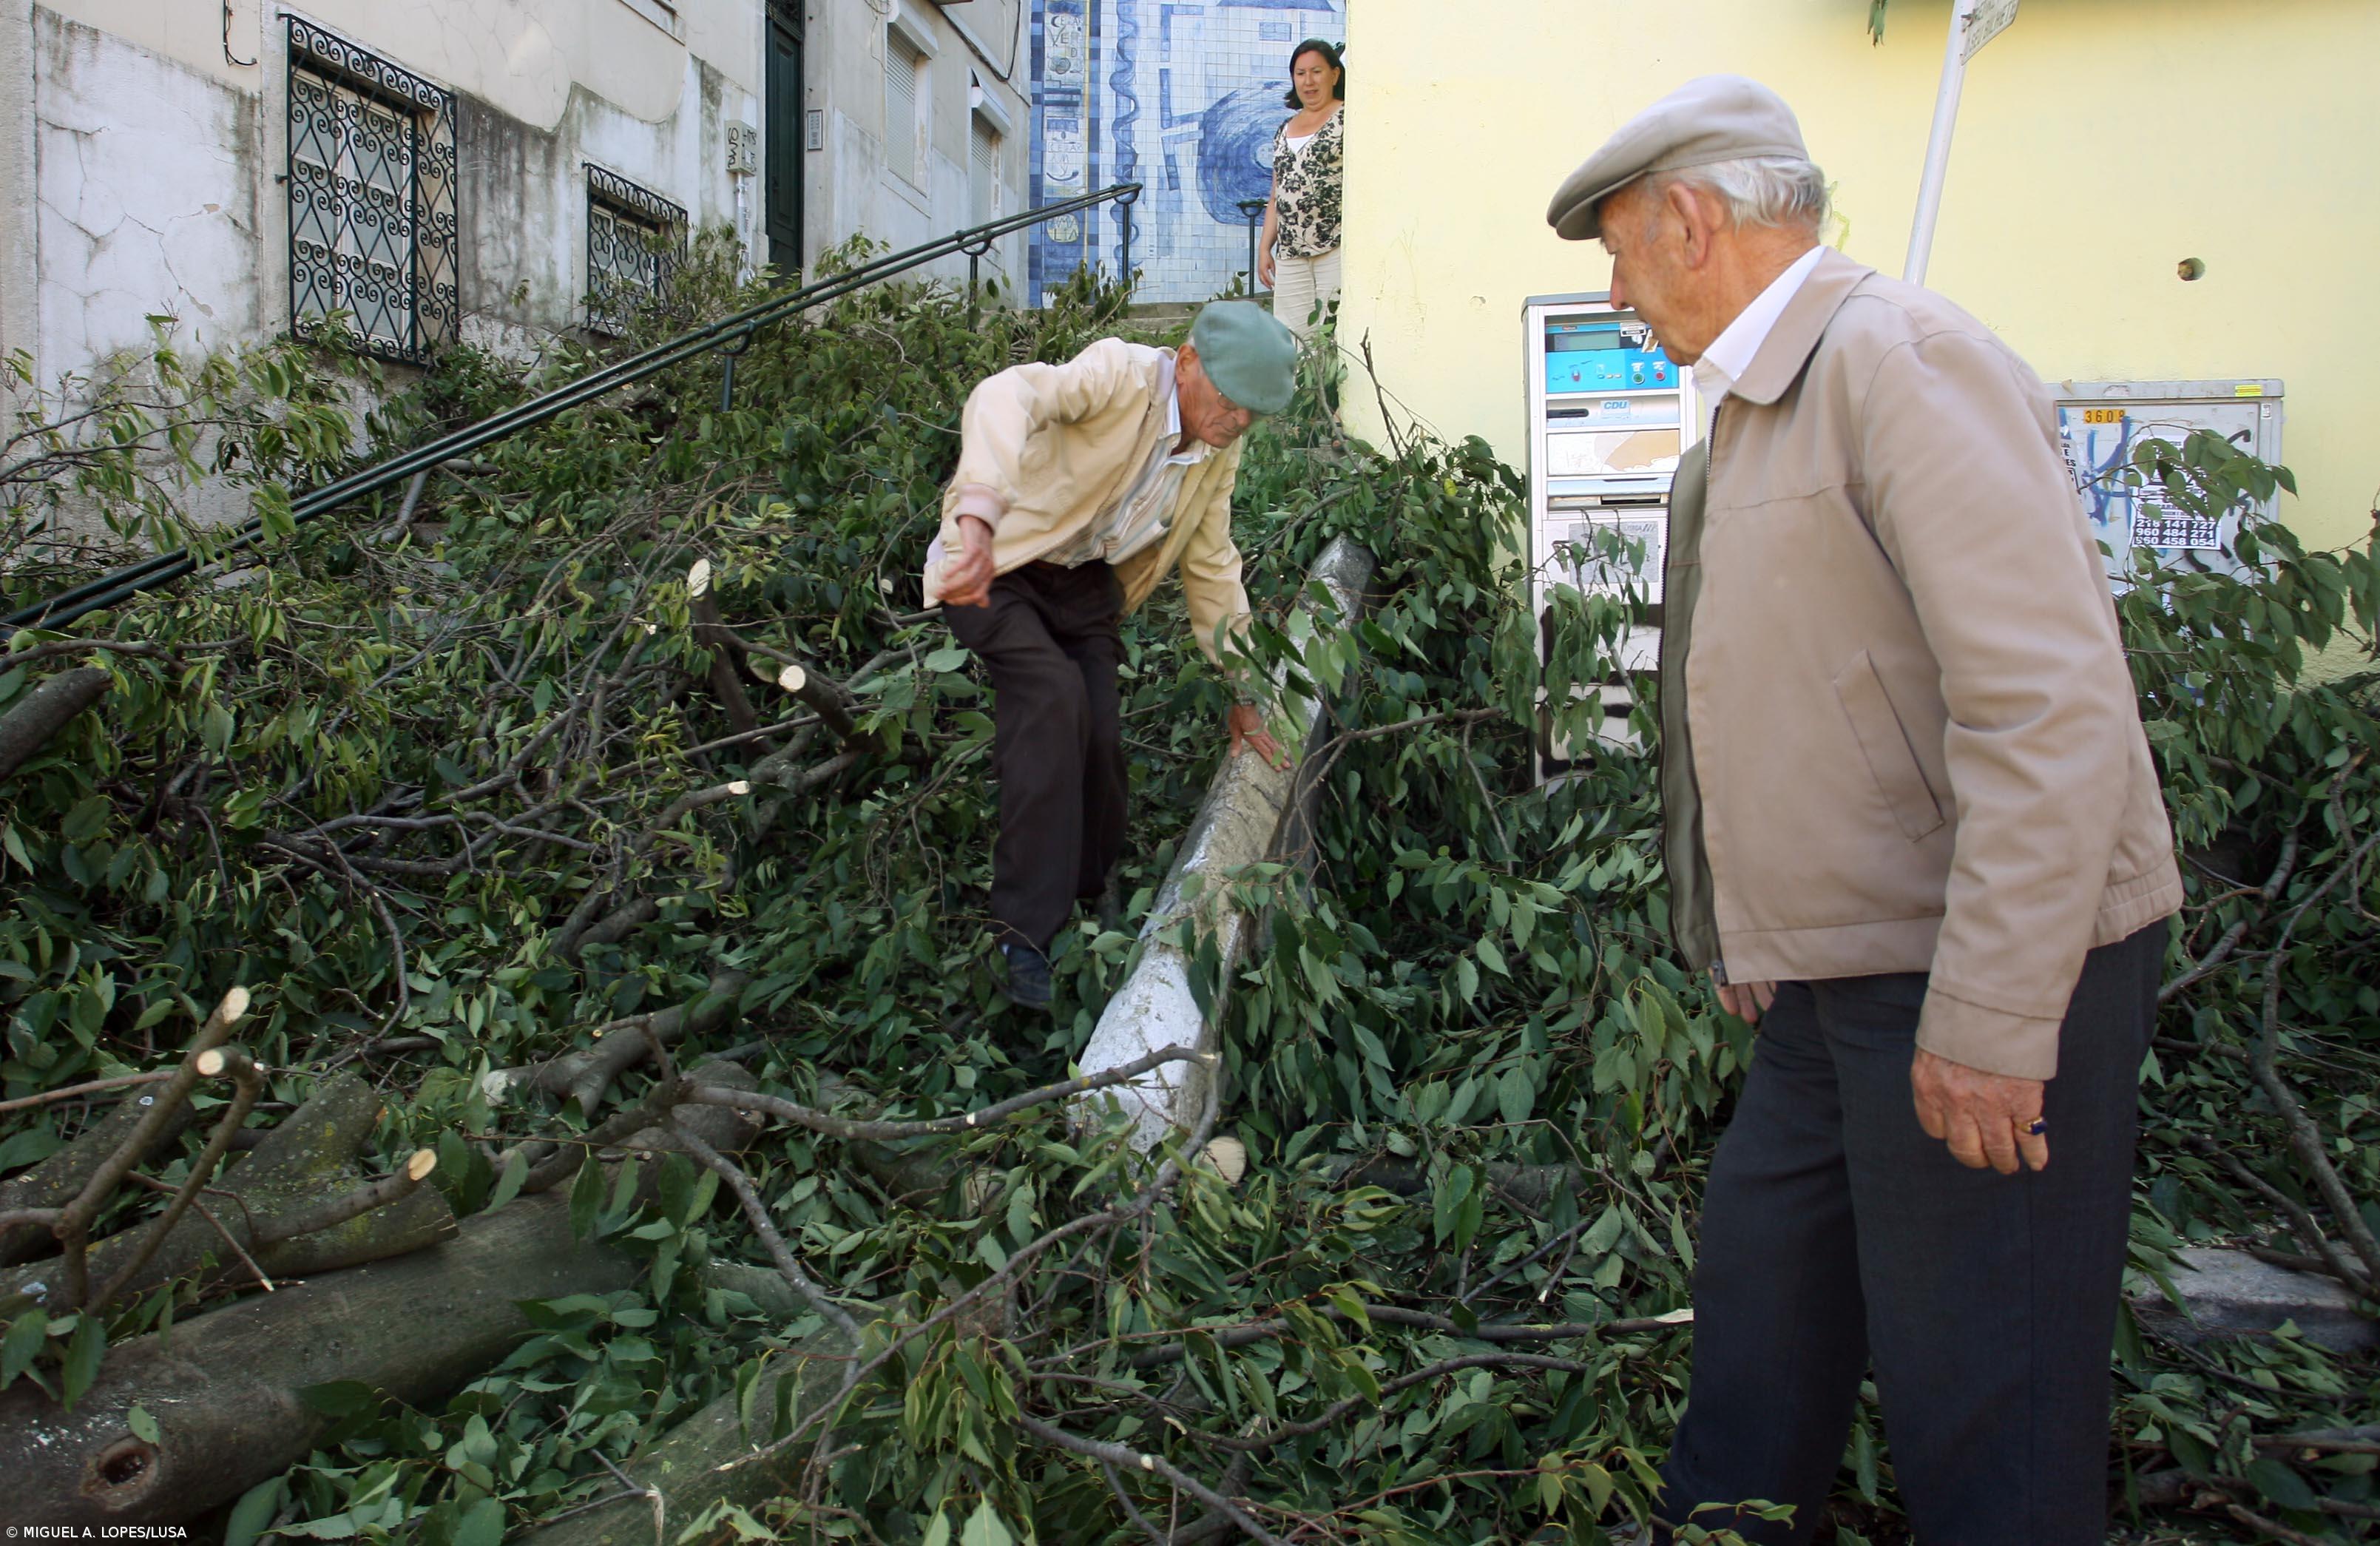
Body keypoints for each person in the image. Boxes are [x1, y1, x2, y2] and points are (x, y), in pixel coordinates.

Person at [1544, 76, 2181, 1545]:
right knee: (1758, 1351)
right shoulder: (1756, 417)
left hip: (1976, 974)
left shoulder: (1900, 364)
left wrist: (1993, 1017)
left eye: (1622, 254)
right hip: (1834, 986)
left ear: (1692, 221)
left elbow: (2047, 708)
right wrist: (1755, 926)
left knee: (1986, 1410)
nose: (1619, 294)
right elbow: (1776, 700)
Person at [924, 301, 1299, 1010]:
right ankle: (1023, 934)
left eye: (1254, 413)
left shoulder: (1219, 449)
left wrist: (1242, 692)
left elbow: (1212, 562)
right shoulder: (1119, 375)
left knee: (1097, 726)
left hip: (1085, 586)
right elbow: (1009, 393)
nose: (1239, 422)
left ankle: (1092, 886)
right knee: (1051, 703)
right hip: (997, 567)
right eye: (1231, 402)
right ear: (1187, 363)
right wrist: (976, 517)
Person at [1256, 38, 1345, 344]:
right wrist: (1265, 247)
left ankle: (1331, 394)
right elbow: (1276, 193)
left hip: (1334, 244)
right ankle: (1298, 393)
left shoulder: (1348, 118)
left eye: (1316, 72)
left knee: (1331, 330)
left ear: (1334, 75)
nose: (1308, 81)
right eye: (1300, 73)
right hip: (1291, 251)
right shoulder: (1286, 127)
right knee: (1292, 337)